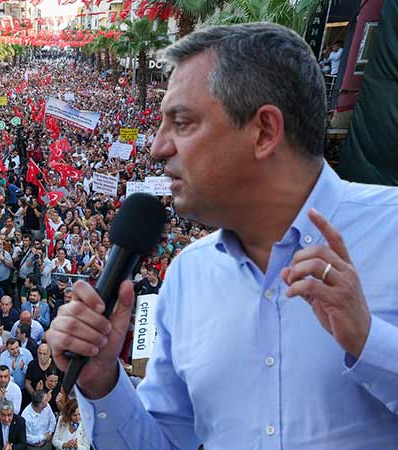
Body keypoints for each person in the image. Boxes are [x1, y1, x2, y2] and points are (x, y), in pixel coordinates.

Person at [47, 22, 398, 449]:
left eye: (182, 122)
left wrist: (370, 344)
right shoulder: (187, 277)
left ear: (265, 131)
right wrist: (102, 382)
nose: (158, 147)